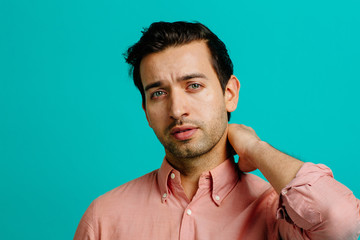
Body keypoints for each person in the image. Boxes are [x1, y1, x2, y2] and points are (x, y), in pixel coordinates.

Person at [74, 21, 360, 240]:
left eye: (193, 86)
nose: (176, 110)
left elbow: (343, 222)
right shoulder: (103, 218)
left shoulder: (279, 214)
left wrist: (255, 148)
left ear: (230, 94)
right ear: (146, 111)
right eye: (159, 93)